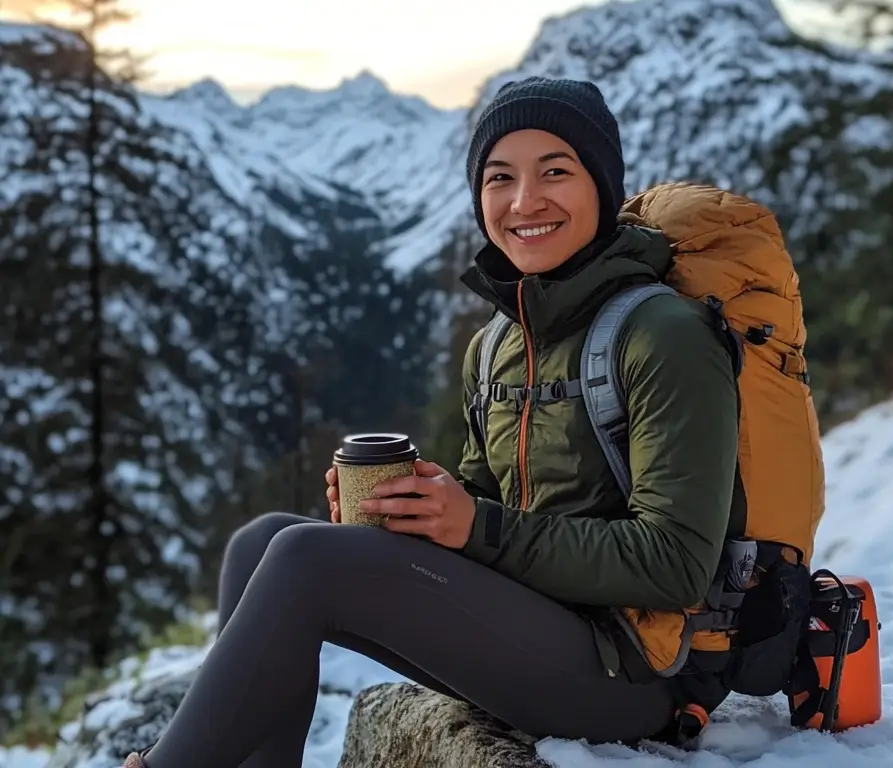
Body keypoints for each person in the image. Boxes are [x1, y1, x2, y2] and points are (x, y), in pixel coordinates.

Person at [122, 76, 739, 768]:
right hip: (536, 625)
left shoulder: (665, 334)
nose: (524, 201)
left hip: (635, 668)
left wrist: (478, 528)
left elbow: (677, 565)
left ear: (601, 183)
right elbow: (487, 507)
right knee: (262, 541)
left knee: (304, 560)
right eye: (499, 177)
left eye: (555, 172)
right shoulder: (499, 344)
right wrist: (416, 509)